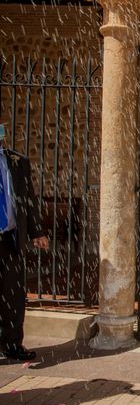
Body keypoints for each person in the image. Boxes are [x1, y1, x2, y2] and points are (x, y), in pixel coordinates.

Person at [0, 123, 49, 361]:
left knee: (13, 296)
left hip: (10, 238)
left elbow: (28, 199)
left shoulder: (18, 162)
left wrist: (36, 231)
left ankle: (12, 344)